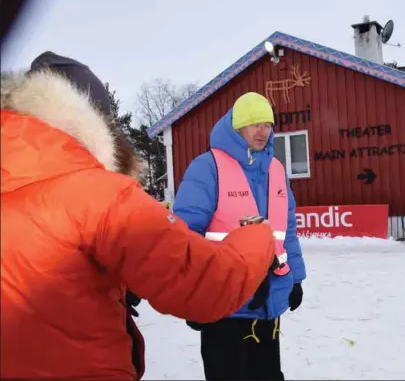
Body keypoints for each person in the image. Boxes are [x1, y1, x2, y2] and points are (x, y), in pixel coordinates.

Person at [0, 52, 276, 380]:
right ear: (93, 121)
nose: (263, 131)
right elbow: (202, 281)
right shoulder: (99, 194)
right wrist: (259, 237)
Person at [173, 91, 306, 380]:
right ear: (237, 127)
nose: (263, 132)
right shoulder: (208, 167)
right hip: (224, 303)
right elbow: (183, 236)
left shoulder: (276, 169)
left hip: (267, 299)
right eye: (255, 124)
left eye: (268, 125)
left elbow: (288, 229)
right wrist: (191, 295)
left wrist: (295, 278)